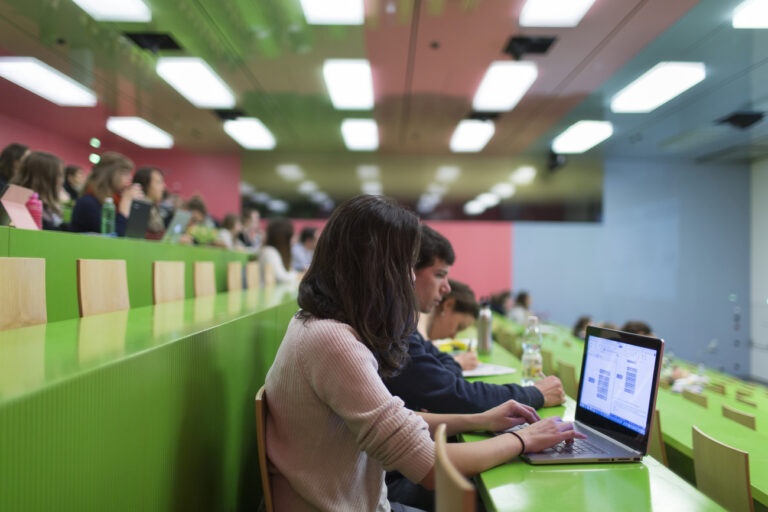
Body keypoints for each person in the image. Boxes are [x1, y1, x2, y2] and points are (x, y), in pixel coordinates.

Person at [264, 195, 583, 512]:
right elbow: (431, 468)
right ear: (377, 269)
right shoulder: (332, 340)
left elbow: (395, 419)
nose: (412, 277)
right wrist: (524, 440)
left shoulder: (317, 324)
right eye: (405, 265)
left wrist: (480, 419)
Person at [384, 225, 565, 414]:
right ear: (407, 272)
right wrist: (535, 394)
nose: (446, 288)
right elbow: (452, 394)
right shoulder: (390, 328)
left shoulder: (402, 324)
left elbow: (442, 374)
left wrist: (444, 379)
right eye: (439, 275)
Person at [70, 153, 143, 236]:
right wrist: (125, 203)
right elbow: (114, 238)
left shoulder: (116, 200)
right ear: (110, 175)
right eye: (125, 173)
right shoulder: (88, 203)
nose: (130, 178)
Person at [422, 279, 480, 371]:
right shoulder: (419, 316)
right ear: (448, 305)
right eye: (459, 327)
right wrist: (458, 362)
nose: (453, 336)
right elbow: (425, 371)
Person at [11, 151, 65, 230]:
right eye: (59, 175)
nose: (62, 180)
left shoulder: (48, 206)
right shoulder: (19, 205)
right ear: (46, 178)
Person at [132, 166, 168, 239]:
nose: (164, 186)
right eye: (158, 182)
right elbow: (138, 237)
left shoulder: (154, 207)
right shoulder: (139, 207)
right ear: (145, 185)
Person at [259, 217, 298, 284]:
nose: (294, 240)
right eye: (291, 236)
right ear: (283, 238)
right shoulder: (269, 251)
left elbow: (287, 274)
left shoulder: (276, 251)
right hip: (267, 293)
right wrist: (299, 275)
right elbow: (280, 278)